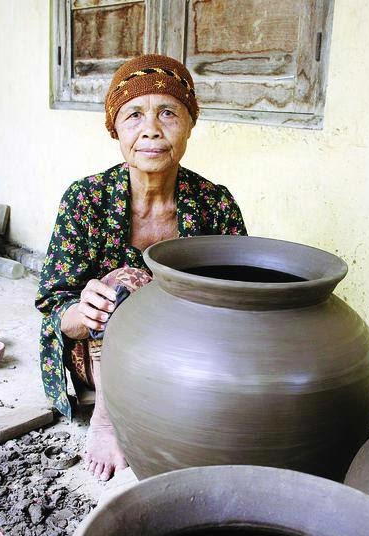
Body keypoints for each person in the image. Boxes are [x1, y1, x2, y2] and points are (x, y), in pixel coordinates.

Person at [36, 54, 247, 481]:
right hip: (95, 354)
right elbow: (53, 302)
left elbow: (240, 296)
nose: (151, 129)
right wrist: (83, 310)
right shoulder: (86, 199)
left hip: (180, 349)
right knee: (128, 282)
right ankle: (108, 421)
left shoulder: (215, 203)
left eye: (168, 113)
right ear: (116, 129)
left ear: (189, 125)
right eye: (134, 115)